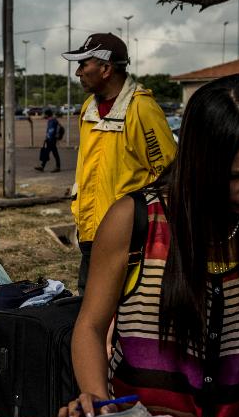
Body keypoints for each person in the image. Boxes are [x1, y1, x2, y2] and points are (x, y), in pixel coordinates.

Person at [61, 74, 239, 417]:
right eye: (238, 175)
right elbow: (91, 326)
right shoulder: (135, 219)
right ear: (200, 162)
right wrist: (98, 403)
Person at [65, 33, 176, 292]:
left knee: (121, 314)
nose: (78, 72)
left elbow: (169, 172)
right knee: (88, 308)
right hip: (91, 233)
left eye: (84, 64)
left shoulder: (142, 109)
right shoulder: (87, 109)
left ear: (105, 68)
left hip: (130, 237)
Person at [34, 108, 62, 172]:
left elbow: (51, 131)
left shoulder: (52, 121)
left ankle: (57, 167)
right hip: (51, 139)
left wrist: (48, 138)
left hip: (51, 140)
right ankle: (42, 166)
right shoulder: (52, 120)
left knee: (54, 153)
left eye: (45, 114)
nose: (44, 115)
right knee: (47, 153)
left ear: (47, 114)